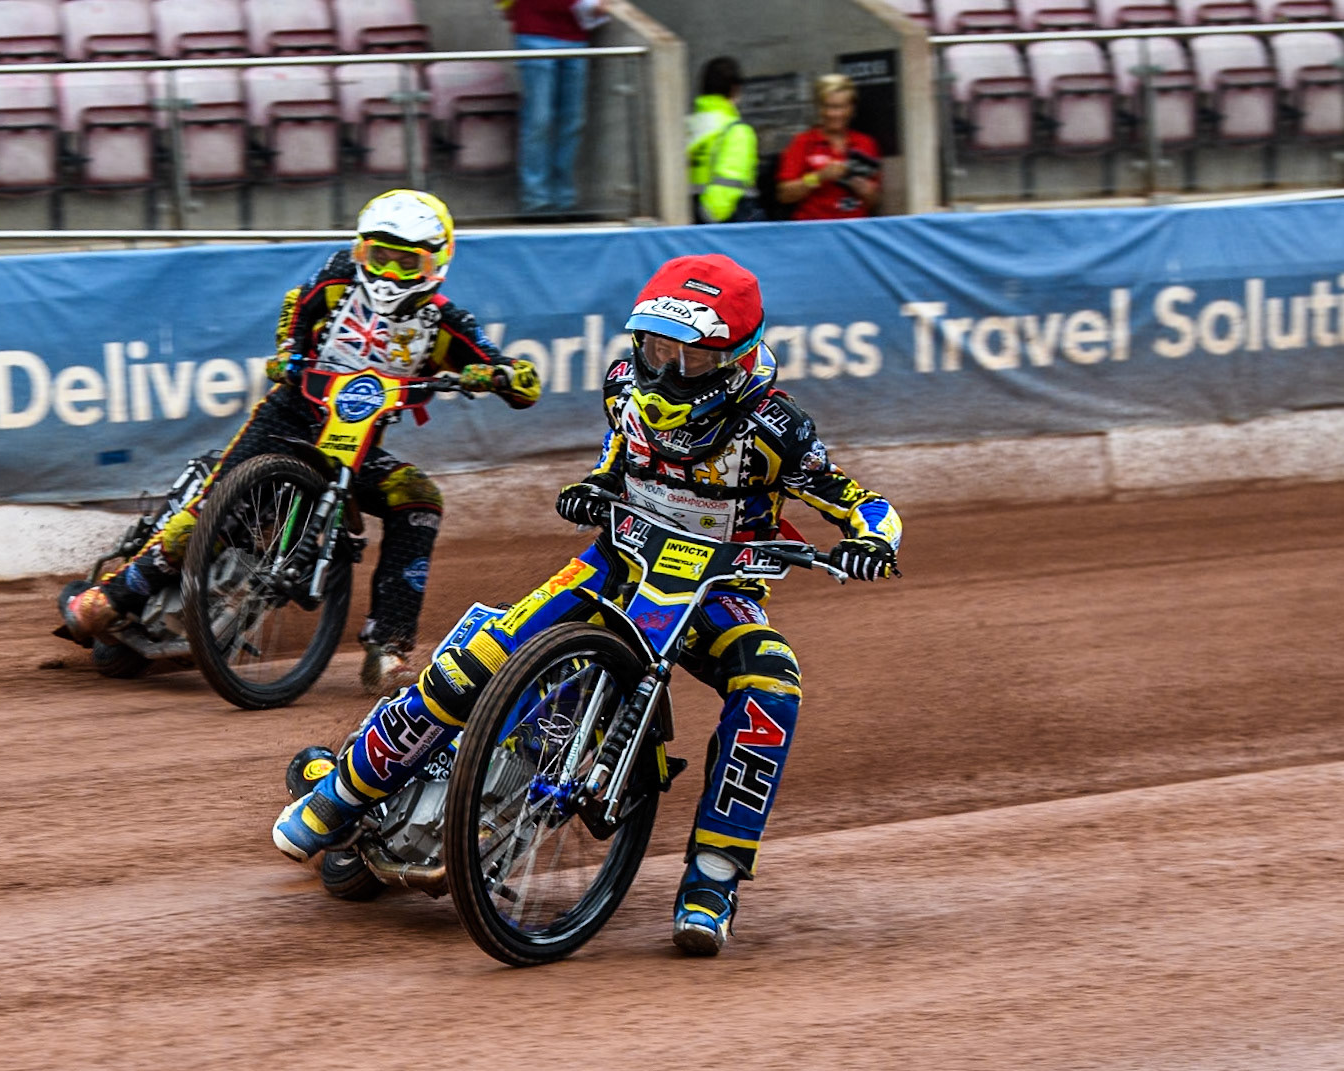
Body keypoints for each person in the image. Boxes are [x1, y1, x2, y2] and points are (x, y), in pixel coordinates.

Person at [273, 253, 902, 956]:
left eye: (688, 358)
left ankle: (712, 879)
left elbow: (859, 500)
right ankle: (341, 794)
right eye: (656, 348)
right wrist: (593, 486)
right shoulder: (623, 387)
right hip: (613, 563)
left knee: (771, 686)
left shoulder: (773, 429)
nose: (664, 371)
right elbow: (616, 461)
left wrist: (870, 540)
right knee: (479, 657)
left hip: (715, 592)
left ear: (734, 360)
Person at [60, 189, 542, 694]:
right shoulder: (337, 279)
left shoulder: (443, 323)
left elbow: (500, 365)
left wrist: (505, 377)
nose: (387, 274)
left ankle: (388, 649)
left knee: (419, 498)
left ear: (435, 261)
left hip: (354, 449)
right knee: (214, 507)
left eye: (405, 263)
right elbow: (296, 306)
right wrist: (289, 353)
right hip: (288, 416)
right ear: (360, 251)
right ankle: (114, 597)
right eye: (378, 257)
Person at [501, 0, 607, 216]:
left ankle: (564, 200)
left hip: (575, 36)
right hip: (535, 31)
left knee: (572, 121)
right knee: (539, 119)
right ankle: (535, 200)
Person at [775, 73, 882, 221]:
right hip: (814, 229)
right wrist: (819, 177)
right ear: (820, 109)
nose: (834, 114)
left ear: (851, 108)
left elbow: (875, 202)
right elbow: (784, 195)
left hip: (854, 229)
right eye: (828, 107)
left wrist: (866, 191)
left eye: (840, 107)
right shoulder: (802, 142)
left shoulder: (865, 143)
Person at [687, 56, 763, 224]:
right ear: (735, 89)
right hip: (727, 223)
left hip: (687, 220)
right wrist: (708, 219)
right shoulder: (736, 130)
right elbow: (729, 182)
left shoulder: (686, 127)